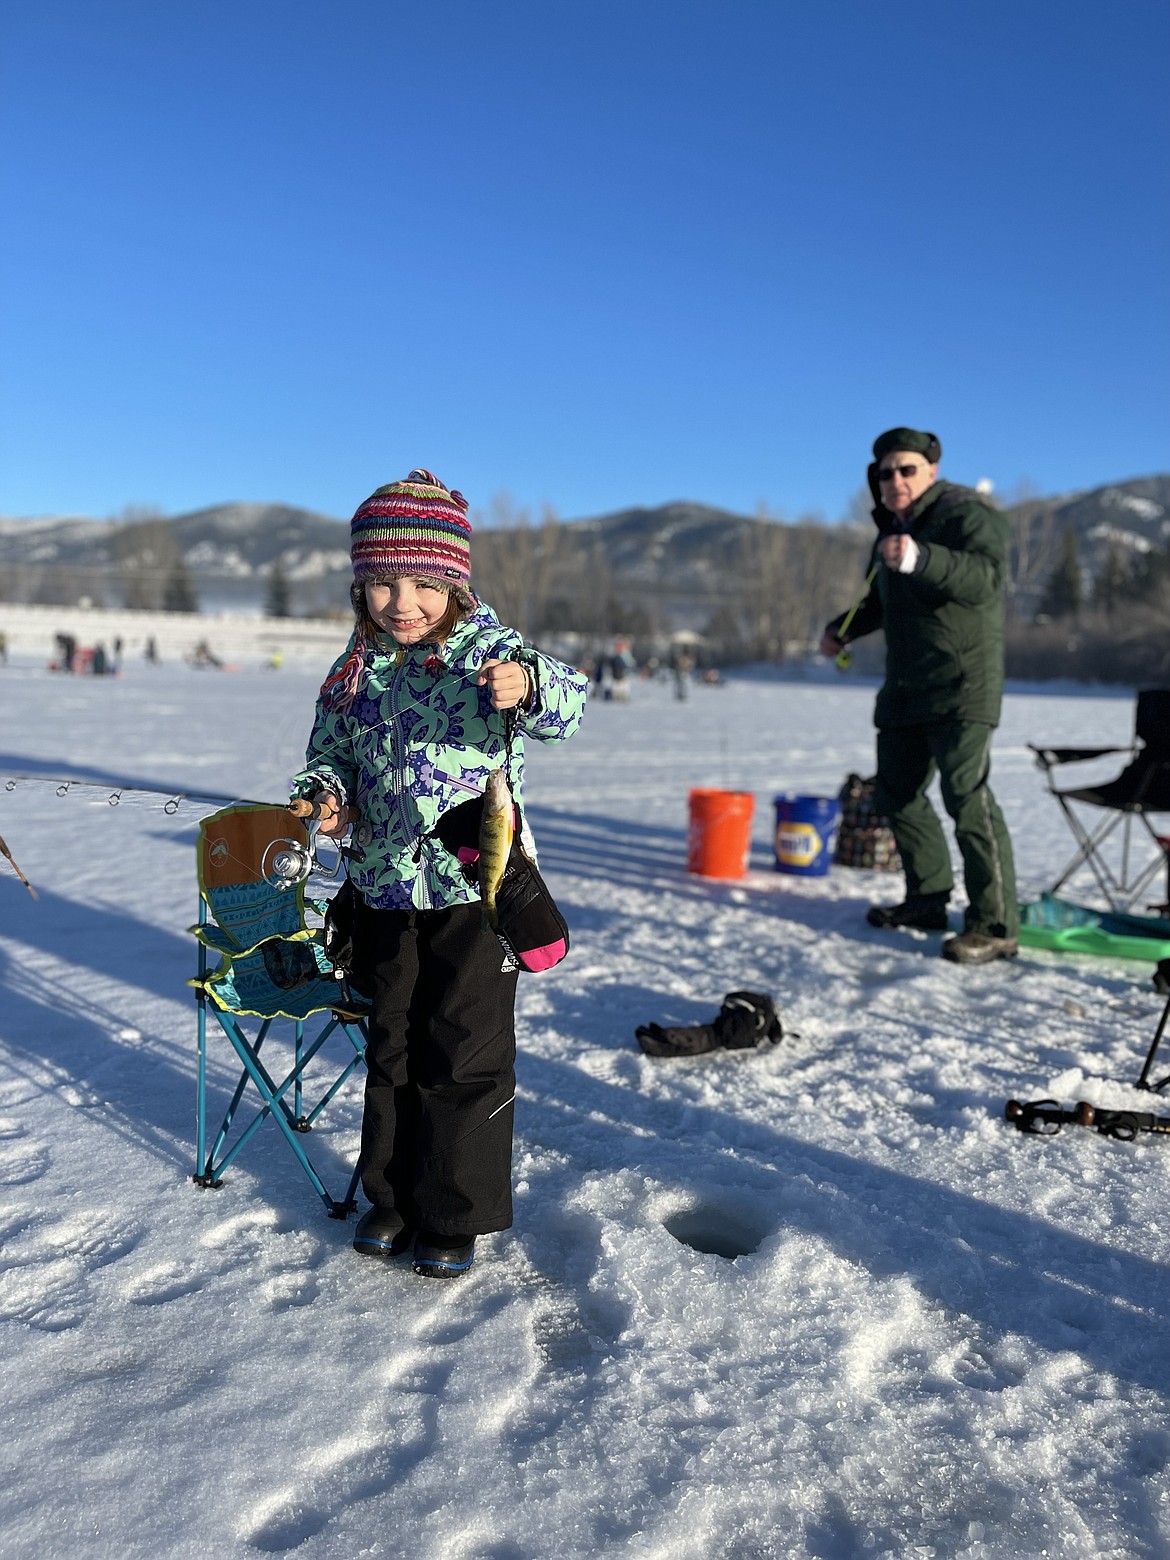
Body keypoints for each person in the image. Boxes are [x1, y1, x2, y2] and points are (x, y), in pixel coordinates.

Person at [292, 470, 587, 1278]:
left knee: (463, 1052)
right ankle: (389, 1198)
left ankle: (453, 1212)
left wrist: (530, 686)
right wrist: (324, 799)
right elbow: (330, 756)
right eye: (382, 581)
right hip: (384, 886)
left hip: (474, 892)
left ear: (454, 581)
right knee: (392, 1049)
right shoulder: (353, 671)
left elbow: (573, 703)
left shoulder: (491, 650)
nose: (402, 602)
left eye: (423, 582)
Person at [820, 427, 1018, 965]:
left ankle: (995, 923)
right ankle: (927, 900)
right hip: (907, 686)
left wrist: (923, 557)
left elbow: (986, 578)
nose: (896, 480)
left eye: (907, 470)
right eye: (886, 473)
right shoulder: (890, 534)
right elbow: (878, 603)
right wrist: (843, 629)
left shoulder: (967, 515)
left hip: (963, 682)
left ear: (931, 471)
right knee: (896, 794)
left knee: (966, 797)